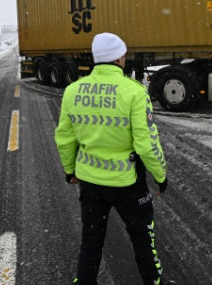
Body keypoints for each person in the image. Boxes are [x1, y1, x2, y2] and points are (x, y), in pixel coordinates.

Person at [55, 32, 169, 285]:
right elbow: (147, 145)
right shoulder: (134, 91)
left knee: (91, 241)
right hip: (128, 184)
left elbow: (64, 137)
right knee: (142, 239)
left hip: (90, 181)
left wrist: (70, 170)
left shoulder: (73, 91)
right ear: (119, 58)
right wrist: (161, 177)